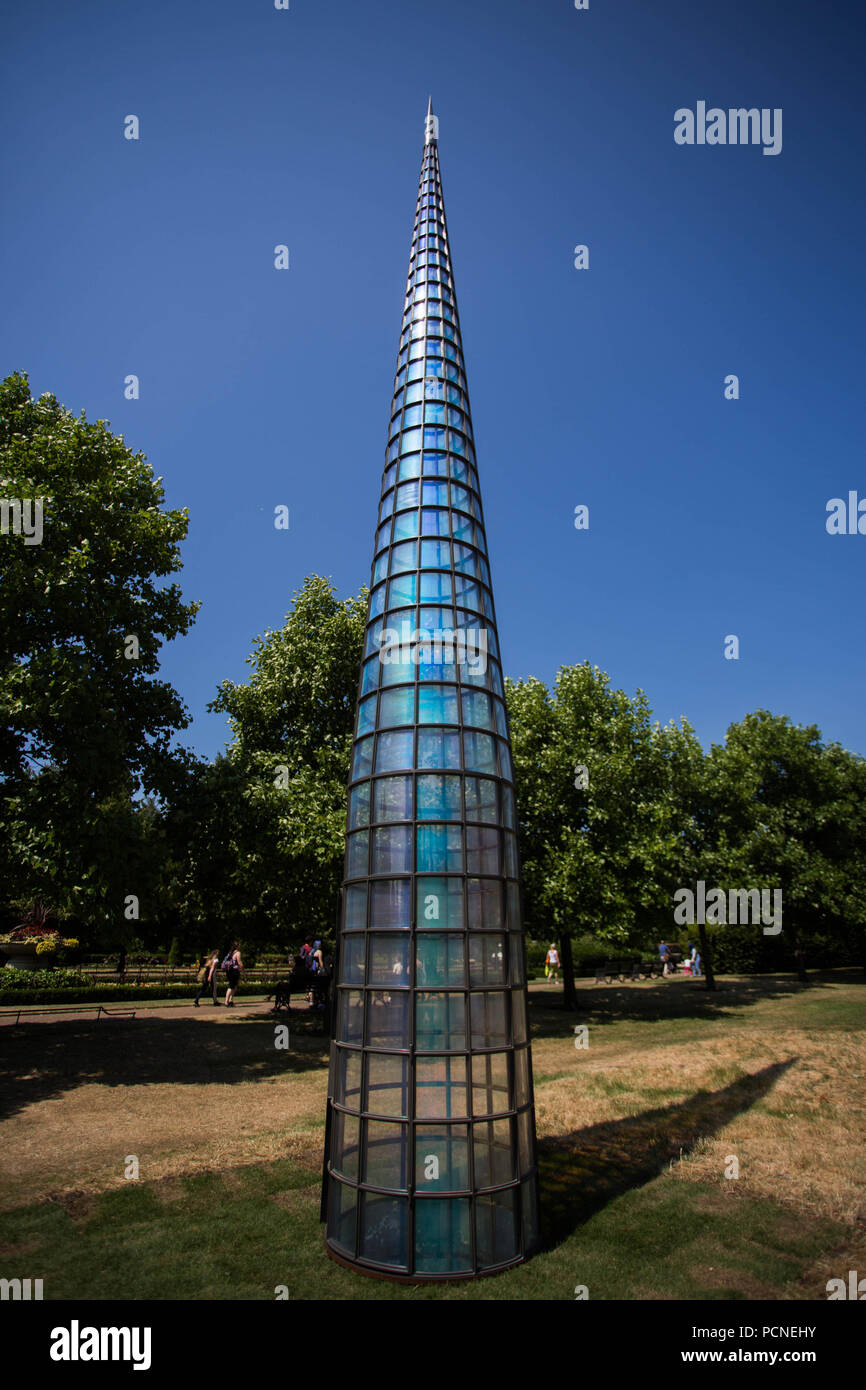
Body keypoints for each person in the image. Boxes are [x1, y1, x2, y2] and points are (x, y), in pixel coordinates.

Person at [222, 942, 242, 1007]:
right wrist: (242, 969)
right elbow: (239, 962)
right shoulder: (238, 953)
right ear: (237, 946)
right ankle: (226, 1001)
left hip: (229, 971)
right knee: (231, 986)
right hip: (234, 971)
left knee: (234, 986)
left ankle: (230, 1000)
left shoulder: (229, 953)